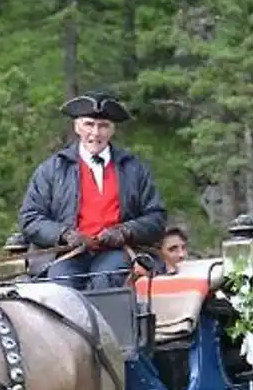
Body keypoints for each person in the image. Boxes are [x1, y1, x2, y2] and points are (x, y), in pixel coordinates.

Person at [18, 89, 167, 290]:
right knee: (60, 287)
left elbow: (156, 218)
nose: (95, 133)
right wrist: (64, 234)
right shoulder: (52, 170)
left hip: (118, 253)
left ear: (112, 129)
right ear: (77, 126)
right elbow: (30, 217)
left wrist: (125, 231)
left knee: (106, 281)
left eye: (103, 126)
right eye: (89, 124)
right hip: (67, 253)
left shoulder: (133, 169)